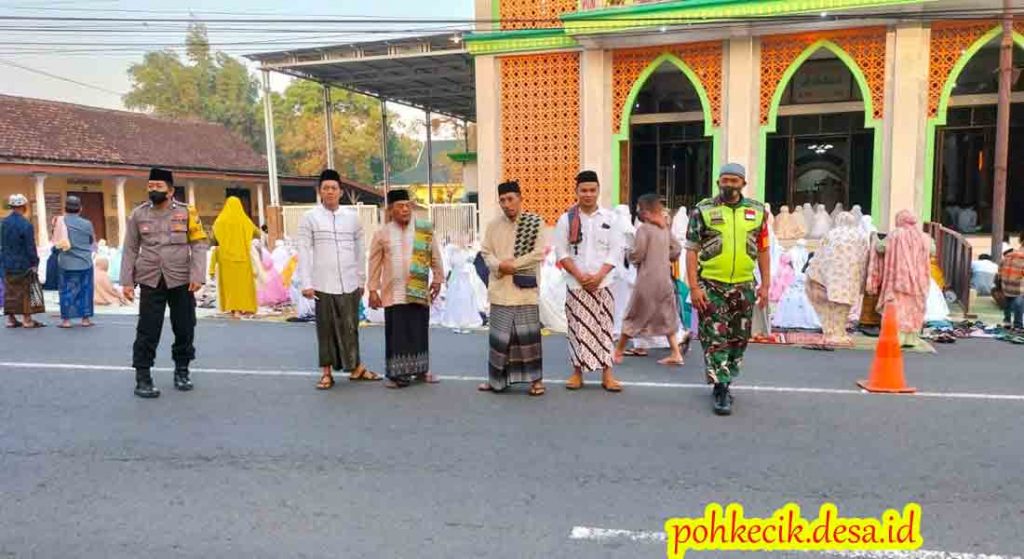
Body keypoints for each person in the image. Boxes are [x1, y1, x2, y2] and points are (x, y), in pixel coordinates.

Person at [685, 163, 770, 415]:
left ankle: (727, 378)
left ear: (743, 183)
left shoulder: (757, 211)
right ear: (717, 183)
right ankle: (721, 387)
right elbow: (691, 250)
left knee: (738, 338)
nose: (729, 185)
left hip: (744, 286)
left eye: (734, 180)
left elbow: (764, 249)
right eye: (725, 180)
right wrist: (693, 286)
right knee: (714, 337)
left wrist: (766, 283)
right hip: (711, 286)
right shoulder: (703, 210)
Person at [120, 168, 209, 398]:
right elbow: (130, 248)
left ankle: (182, 370)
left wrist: (198, 275)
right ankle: (143, 376)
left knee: (185, 326)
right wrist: (127, 281)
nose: (153, 190)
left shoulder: (187, 212)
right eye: (150, 186)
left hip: (181, 278)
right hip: (150, 278)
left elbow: (198, 244)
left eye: (158, 187)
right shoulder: (138, 214)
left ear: (170, 191)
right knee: (148, 329)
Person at [298, 169, 381, 389]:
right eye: (325, 188)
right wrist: (306, 283)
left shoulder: (352, 218)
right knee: (325, 329)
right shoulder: (310, 218)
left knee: (351, 326)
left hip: (349, 281)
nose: (330, 192)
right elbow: (304, 250)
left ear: (341, 192)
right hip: (322, 283)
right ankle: (326, 373)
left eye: (334, 188)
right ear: (320, 192)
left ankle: (356, 368)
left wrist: (361, 280)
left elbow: (359, 249)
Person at [554, 170, 624, 392]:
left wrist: (599, 275)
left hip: (604, 283)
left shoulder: (611, 219)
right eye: (583, 190)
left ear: (598, 191)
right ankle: (577, 373)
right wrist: (580, 275)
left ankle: (607, 374)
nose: (588, 194)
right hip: (577, 284)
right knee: (577, 328)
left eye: (592, 190)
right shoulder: (567, 219)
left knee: (604, 328)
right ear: (576, 191)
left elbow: (616, 251)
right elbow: (561, 252)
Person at [367, 189, 444, 389]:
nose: (405, 209)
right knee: (398, 334)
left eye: (407, 205)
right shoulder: (381, 234)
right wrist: (373, 289)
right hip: (393, 293)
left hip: (418, 288)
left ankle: (421, 371)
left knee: (419, 330)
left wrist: (437, 278)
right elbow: (374, 263)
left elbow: (434, 256)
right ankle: (396, 375)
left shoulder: (424, 229)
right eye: (400, 206)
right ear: (390, 210)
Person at [478, 180, 547, 395]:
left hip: (524, 290)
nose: (507, 204)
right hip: (500, 289)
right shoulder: (492, 226)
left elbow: (538, 253)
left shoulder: (535, 222)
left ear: (520, 198)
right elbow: (485, 252)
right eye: (502, 201)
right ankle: (496, 381)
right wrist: (499, 266)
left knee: (529, 339)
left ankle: (536, 381)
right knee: (499, 340)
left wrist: (512, 266)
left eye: (510, 199)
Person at [612, 193, 685, 366]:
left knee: (634, 314)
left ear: (645, 211)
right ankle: (676, 353)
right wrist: (667, 257)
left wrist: (628, 255)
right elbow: (676, 248)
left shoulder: (644, 229)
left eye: (639, 208)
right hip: (664, 280)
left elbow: (638, 254)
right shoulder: (664, 228)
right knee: (668, 316)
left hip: (647, 280)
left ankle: (618, 351)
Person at [805, 212, 869, 347]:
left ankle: (830, 332)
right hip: (850, 277)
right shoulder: (860, 236)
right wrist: (862, 280)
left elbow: (820, 254)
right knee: (843, 306)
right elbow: (864, 258)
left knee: (831, 304)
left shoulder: (831, 234)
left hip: (831, 277)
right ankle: (839, 333)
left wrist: (815, 272)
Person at [876, 210, 930, 347]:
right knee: (914, 309)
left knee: (897, 309)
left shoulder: (895, 235)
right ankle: (911, 340)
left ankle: (895, 339)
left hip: (898, 280)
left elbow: (881, 248)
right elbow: (933, 250)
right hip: (919, 281)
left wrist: (875, 240)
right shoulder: (924, 237)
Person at [209, 196, 259, 318]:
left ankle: (232, 308)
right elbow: (257, 233)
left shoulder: (220, 221)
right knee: (243, 285)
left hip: (225, 258)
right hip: (243, 257)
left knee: (230, 285)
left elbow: (213, 237)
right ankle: (244, 307)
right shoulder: (245, 221)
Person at [2, 193, 44, 328]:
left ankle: (11, 318)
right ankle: (27, 319)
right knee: (25, 290)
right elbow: (30, 246)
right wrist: (34, 262)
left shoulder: (3, 223)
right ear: (23, 207)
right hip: (22, 262)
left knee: (10, 290)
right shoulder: (26, 224)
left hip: (6, 261)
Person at [55, 196, 96, 328]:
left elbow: (56, 243)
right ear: (80, 209)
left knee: (66, 290)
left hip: (66, 262)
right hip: (85, 262)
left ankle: (66, 320)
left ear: (65, 208)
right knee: (86, 290)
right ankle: (85, 319)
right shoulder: (87, 223)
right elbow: (92, 242)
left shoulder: (60, 222)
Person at [998, 233, 1024, 330]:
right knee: (1019, 302)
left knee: (1008, 301)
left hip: (1006, 284)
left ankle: (1007, 321)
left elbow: (1000, 269)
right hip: (1019, 285)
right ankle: (1018, 325)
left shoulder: (1009, 254)